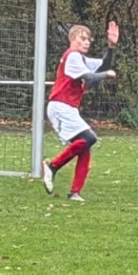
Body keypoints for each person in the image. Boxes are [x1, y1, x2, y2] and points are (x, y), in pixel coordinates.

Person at [42, 22, 117, 201]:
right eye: (82, 38)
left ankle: (75, 192)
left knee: (85, 147)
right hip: (60, 106)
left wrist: (111, 46)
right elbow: (91, 78)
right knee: (90, 138)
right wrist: (106, 75)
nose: (87, 42)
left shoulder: (81, 59)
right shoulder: (73, 55)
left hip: (68, 107)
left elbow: (103, 65)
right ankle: (52, 166)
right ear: (72, 39)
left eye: (88, 39)